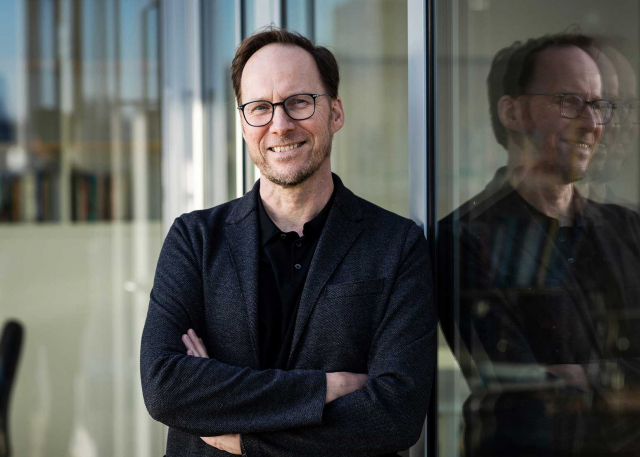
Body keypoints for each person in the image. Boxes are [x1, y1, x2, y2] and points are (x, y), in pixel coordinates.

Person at [140, 27, 436, 457]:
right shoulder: (195, 239)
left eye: (299, 102)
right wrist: (325, 388)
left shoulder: (397, 245)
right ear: (243, 123)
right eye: (260, 108)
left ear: (335, 112)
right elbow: (165, 387)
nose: (280, 125)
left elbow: (395, 415)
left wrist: (244, 438)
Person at [439, 33, 640, 455]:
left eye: (598, 104)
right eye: (570, 101)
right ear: (513, 111)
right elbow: (524, 394)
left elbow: (557, 387)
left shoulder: (629, 230)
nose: (592, 122)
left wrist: (584, 379)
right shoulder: (463, 239)